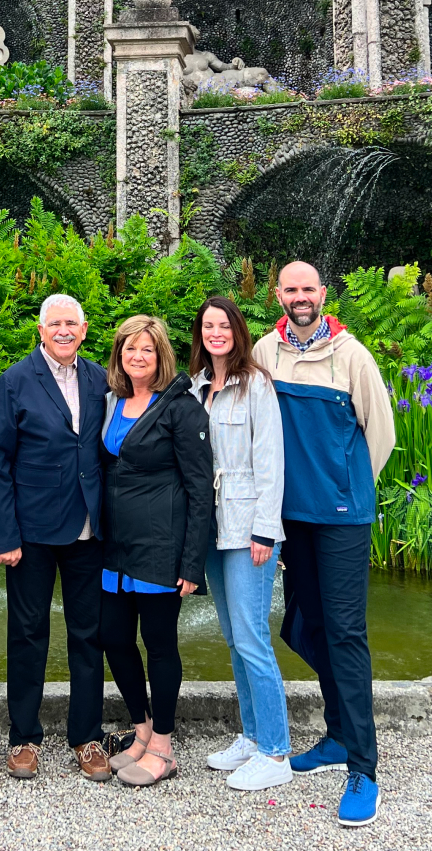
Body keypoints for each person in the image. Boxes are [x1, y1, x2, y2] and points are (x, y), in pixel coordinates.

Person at [254, 261, 395, 828]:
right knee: (305, 623)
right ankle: (337, 735)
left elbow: (378, 434)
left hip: (340, 518)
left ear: (322, 293)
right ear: (280, 295)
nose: (300, 297)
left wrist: (347, 486)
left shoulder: (352, 355)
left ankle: (364, 766)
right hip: (293, 518)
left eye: (308, 289)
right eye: (290, 289)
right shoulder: (266, 351)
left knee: (346, 632)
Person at [0, 294, 112, 784]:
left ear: (83, 330)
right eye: (54, 323)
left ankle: (86, 736)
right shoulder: (15, 380)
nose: (63, 331)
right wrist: (5, 535)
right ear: (41, 330)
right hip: (31, 533)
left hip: (88, 530)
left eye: (71, 324)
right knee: (28, 634)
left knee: (88, 635)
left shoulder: (102, 377)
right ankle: (23, 737)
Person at [99, 316, 214, 787]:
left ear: (161, 354)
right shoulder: (112, 402)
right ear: (119, 355)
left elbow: (200, 487)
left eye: (147, 349)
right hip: (114, 546)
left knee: (160, 646)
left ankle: (164, 747)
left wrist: (192, 561)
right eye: (130, 349)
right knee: (114, 638)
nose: (138, 356)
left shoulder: (182, 408)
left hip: (160, 544)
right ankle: (142, 730)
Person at [188, 297, 290, 790]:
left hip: (249, 525)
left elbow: (271, 462)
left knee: (252, 637)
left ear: (237, 330)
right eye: (208, 326)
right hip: (211, 528)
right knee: (233, 637)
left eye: (223, 325)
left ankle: (276, 751)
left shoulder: (256, 385)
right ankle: (251, 736)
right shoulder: (197, 387)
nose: (215, 332)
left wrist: (266, 530)